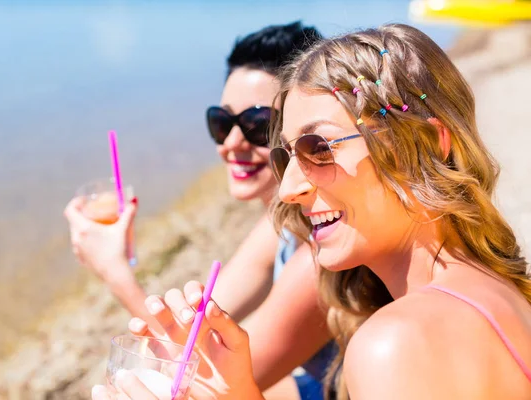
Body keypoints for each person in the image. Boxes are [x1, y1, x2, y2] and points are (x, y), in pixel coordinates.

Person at [96, 23, 531, 399]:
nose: (288, 190)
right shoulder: (499, 293)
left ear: (427, 144)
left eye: (317, 149)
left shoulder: (396, 342)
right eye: (287, 157)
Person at [66, 21, 341, 399]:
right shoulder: (281, 218)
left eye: (257, 125)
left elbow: (207, 382)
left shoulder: (327, 251)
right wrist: (123, 261)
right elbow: (193, 329)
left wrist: (114, 272)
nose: (231, 143)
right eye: (222, 122)